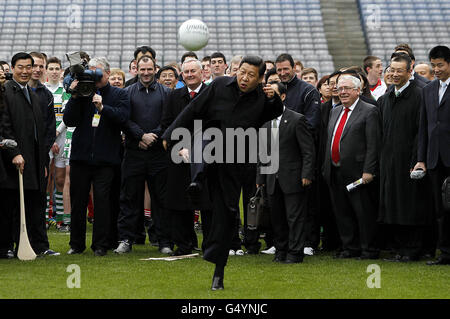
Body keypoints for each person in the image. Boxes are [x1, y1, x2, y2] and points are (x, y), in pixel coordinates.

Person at [162, 55, 283, 290]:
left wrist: (274, 98)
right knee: (204, 142)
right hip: (210, 141)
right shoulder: (218, 85)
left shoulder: (261, 99)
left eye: (251, 75)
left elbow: (274, 113)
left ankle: (218, 271)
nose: (244, 78)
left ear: (260, 79)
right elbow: (193, 108)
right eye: (242, 72)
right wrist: (170, 133)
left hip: (236, 159)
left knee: (227, 213)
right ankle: (197, 182)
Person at [63, 57, 130, 256]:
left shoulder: (119, 94)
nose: (93, 76)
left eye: (97, 72)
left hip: (106, 158)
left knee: (103, 203)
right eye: (90, 72)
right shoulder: (83, 92)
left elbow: (123, 118)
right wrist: (75, 96)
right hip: (81, 157)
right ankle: (76, 244)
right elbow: (69, 120)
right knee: (78, 203)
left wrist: (103, 108)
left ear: (108, 74)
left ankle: (101, 244)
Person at [1, 52, 59, 257]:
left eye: (29, 67)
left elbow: (41, 130)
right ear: (13, 68)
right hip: (12, 160)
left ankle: (37, 245)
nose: (25, 71)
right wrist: (14, 152)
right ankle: (6, 247)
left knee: (35, 203)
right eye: (20, 67)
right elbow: (4, 126)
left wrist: (42, 161)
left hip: (34, 160)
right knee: (10, 206)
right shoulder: (5, 92)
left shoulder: (33, 94)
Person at [114, 55, 172, 255]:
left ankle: (164, 241)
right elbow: (123, 119)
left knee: (162, 198)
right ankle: (126, 239)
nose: (146, 73)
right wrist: (140, 136)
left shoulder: (166, 92)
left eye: (149, 69)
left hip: (158, 155)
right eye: (142, 69)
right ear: (136, 69)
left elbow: (168, 120)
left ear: (155, 69)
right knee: (129, 197)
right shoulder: (127, 92)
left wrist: (152, 137)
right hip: (134, 152)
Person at [378, 52, 432, 262]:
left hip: (410, 161)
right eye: (392, 70)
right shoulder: (388, 96)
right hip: (389, 161)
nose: (395, 74)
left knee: (412, 205)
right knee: (393, 205)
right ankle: (399, 248)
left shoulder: (420, 94)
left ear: (411, 70)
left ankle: (413, 249)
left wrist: (417, 160)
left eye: (400, 70)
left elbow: (421, 131)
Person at [323, 75, 381, 259]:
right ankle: (350, 247)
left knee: (363, 213)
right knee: (342, 212)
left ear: (358, 90)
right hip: (335, 170)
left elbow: (374, 144)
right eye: (340, 89)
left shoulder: (369, 111)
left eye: (347, 88)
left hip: (358, 173)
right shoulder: (335, 111)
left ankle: (369, 249)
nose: (343, 92)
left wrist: (369, 170)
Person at [257, 82, 315, 263]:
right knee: (277, 219)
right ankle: (280, 250)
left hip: (293, 178)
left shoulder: (298, 119)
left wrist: (306, 174)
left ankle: (295, 252)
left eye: (273, 94)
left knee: (295, 218)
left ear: (282, 97)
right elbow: (262, 153)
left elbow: (308, 151)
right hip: (272, 179)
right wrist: (260, 178)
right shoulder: (264, 123)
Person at [160, 59, 210, 256]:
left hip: (207, 155)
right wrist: (179, 148)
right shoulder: (174, 96)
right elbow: (166, 125)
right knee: (179, 202)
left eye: (193, 71)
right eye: (186, 72)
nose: (189, 75)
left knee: (207, 202)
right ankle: (184, 244)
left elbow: (215, 123)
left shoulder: (211, 94)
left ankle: (209, 244)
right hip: (179, 156)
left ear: (202, 73)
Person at [415, 45, 450, 265]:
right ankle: (445, 252)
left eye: (440, 65)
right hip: (434, 159)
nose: (436, 69)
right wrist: (421, 158)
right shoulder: (428, 89)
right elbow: (424, 127)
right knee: (440, 209)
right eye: (433, 65)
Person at [45, 56, 71, 231]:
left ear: (61, 71)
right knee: (46, 179)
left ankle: (61, 219)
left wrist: (56, 133)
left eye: (57, 69)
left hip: (62, 138)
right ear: (47, 71)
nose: (54, 72)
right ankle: (45, 217)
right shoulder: (42, 90)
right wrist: (49, 137)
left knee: (60, 179)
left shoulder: (65, 90)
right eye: (51, 69)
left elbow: (68, 116)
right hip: (46, 139)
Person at [275, 53, 321, 132]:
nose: (282, 73)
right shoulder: (275, 90)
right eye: (279, 70)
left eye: (286, 69)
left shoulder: (309, 91)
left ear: (294, 68)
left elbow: (312, 124)